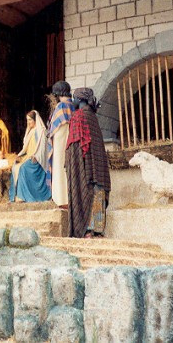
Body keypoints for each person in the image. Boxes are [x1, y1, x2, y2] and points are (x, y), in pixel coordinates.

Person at [65, 88, 111, 238]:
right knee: (97, 192)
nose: (72, 101)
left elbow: (76, 146)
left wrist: (71, 163)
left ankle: (87, 231)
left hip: (85, 167)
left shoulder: (78, 116)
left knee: (86, 193)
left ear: (80, 99)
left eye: (74, 98)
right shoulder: (92, 116)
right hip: (98, 169)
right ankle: (96, 230)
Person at [9, 110, 51, 202]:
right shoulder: (30, 131)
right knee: (15, 166)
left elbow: (43, 149)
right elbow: (26, 148)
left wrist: (36, 156)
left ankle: (24, 196)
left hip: (37, 159)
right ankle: (17, 195)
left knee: (23, 168)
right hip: (28, 156)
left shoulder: (41, 132)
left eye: (30, 120)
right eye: (27, 120)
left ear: (35, 120)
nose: (28, 122)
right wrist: (20, 156)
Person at [48, 81, 75, 208]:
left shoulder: (61, 106)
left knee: (59, 169)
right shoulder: (74, 105)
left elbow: (55, 129)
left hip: (60, 142)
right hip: (71, 142)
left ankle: (61, 199)